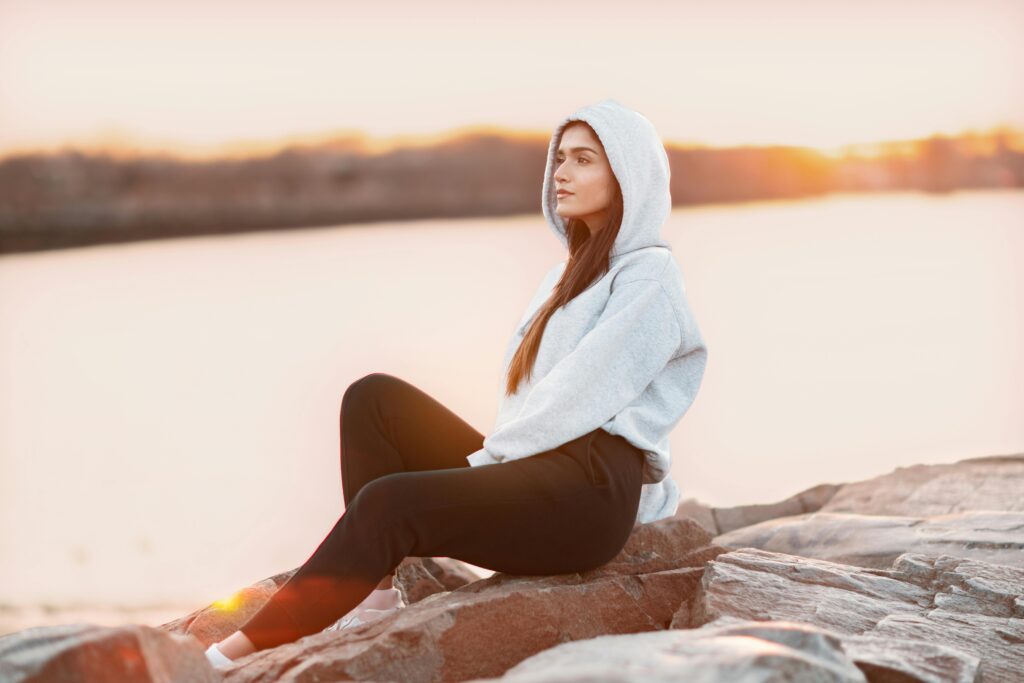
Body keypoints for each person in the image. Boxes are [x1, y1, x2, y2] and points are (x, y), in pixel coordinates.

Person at [205, 98, 708, 667]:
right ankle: (373, 606)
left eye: (584, 160)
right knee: (374, 400)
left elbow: (582, 395)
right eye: (560, 158)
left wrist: (484, 472)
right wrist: (490, 474)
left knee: (390, 504)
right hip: (542, 469)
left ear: (627, 177)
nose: (561, 173)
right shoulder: (570, 273)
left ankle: (230, 658)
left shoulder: (651, 276)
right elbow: (527, 401)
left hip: (586, 497)